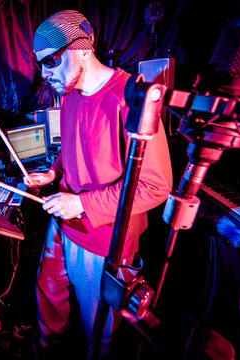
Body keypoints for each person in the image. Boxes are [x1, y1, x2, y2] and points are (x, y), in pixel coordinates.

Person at [26, 9, 173, 359]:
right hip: (64, 223)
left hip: (104, 239)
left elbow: (155, 185)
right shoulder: (70, 93)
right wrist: (54, 173)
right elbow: (72, 147)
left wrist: (82, 204)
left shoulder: (130, 97)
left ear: (81, 49)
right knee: (48, 301)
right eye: (41, 65)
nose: (45, 75)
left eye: (50, 61)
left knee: (101, 333)